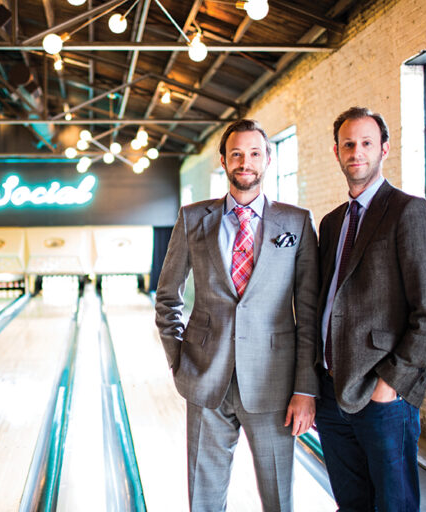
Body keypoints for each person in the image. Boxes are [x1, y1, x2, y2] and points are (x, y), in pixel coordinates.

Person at [155, 119, 318, 511]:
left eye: (254, 153)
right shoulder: (193, 218)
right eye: (237, 154)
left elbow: (309, 313)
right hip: (205, 379)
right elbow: (167, 298)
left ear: (268, 158)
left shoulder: (296, 222)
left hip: (274, 384)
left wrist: (306, 388)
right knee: (205, 498)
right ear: (225, 161)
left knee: (280, 497)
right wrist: (179, 362)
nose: (246, 162)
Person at [316, 106, 426, 511]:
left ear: (384, 149)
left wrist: (390, 384)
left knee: (394, 505)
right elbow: (327, 303)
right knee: (352, 503)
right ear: (337, 151)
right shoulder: (332, 223)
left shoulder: (408, 211)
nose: (357, 151)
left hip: (382, 393)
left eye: (366, 143)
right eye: (348, 144)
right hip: (330, 391)